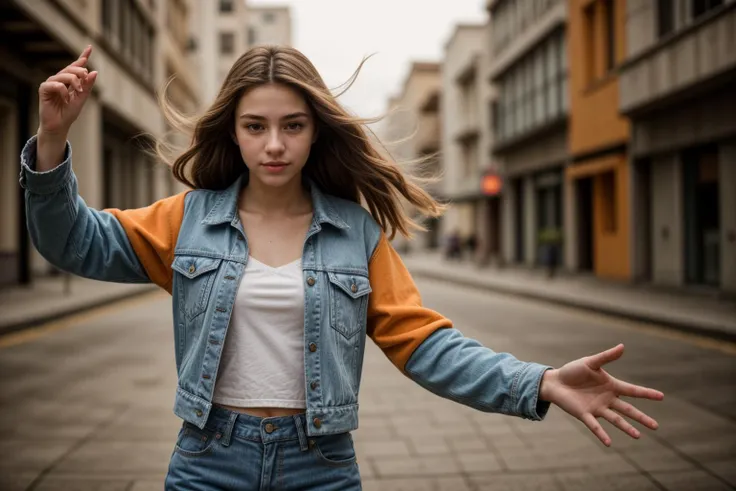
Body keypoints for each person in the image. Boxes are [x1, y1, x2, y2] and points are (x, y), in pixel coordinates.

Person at [22, 45, 664, 490]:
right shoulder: (186, 220)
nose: (274, 145)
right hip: (206, 461)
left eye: (293, 125)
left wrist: (538, 380)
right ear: (234, 132)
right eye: (256, 126)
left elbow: (426, 345)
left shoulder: (354, 232)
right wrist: (53, 140)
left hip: (320, 465)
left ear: (316, 131)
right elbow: (73, 242)